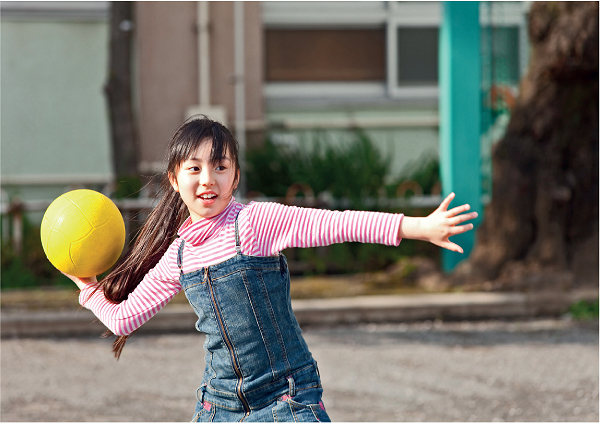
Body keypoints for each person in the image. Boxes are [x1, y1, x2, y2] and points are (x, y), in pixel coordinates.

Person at [63, 116, 478, 422]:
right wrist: (87, 287)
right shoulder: (179, 254)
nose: (208, 179)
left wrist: (419, 227)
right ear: (174, 180)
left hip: (286, 399)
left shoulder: (254, 222)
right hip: (218, 405)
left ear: (235, 176)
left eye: (220, 167)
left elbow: (336, 223)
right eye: (194, 168)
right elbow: (124, 317)